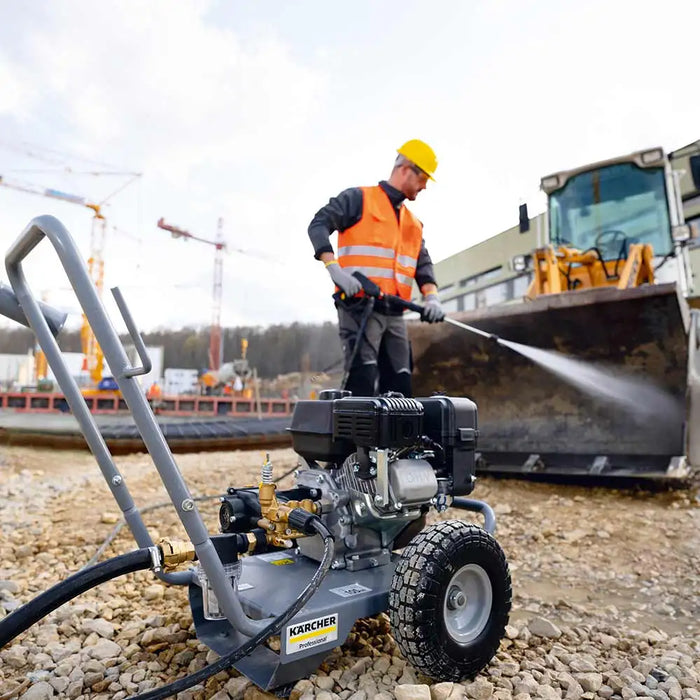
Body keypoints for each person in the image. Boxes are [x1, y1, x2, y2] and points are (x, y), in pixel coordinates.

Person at [308, 139, 445, 398]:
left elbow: (423, 265)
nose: (426, 185)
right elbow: (319, 224)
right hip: (359, 308)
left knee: (400, 386)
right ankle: (355, 439)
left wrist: (432, 298)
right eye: (423, 178)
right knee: (362, 382)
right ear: (405, 169)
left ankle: (393, 440)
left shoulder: (414, 225)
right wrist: (334, 268)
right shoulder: (359, 199)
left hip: (394, 314)